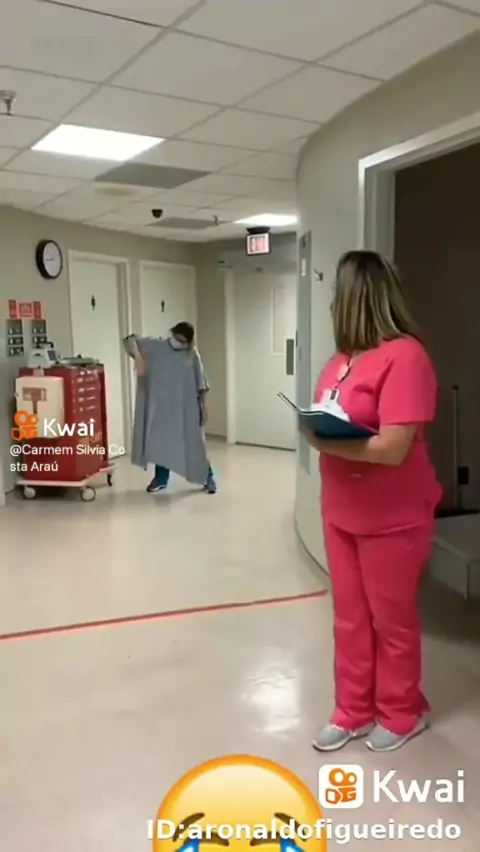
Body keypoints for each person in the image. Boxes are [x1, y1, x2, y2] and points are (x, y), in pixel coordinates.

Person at [302, 250, 441, 754]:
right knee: (350, 618)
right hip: (341, 511)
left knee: (391, 621)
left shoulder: (406, 357)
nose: (332, 303)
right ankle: (353, 711)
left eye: (337, 293)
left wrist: (327, 443)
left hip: (392, 517)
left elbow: (393, 447)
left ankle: (403, 712)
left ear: (357, 297)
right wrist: (316, 430)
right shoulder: (341, 361)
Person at [124, 321, 216, 495]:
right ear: (172, 333)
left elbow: (201, 383)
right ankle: (161, 479)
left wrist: (204, 407)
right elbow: (130, 340)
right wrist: (138, 357)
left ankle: (207, 477)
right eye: (177, 338)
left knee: (195, 446)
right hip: (162, 407)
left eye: (183, 341)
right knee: (162, 444)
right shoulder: (156, 347)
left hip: (187, 407)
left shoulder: (191, 354)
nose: (178, 343)